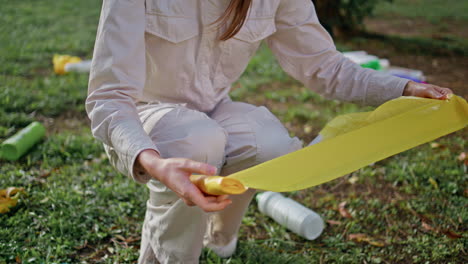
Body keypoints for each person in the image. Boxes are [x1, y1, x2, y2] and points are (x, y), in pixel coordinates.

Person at [86, 0, 453, 263]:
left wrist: (400, 89)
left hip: (211, 113)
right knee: (196, 140)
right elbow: (108, 96)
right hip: (146, 119)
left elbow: (324, 65)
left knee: (271, 144)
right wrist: (151, 160)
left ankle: (220, 238)